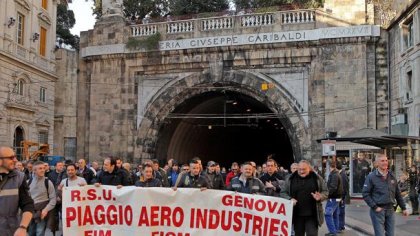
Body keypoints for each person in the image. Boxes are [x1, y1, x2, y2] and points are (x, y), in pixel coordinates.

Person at [362, 154, 408, 236]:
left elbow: (397, 193)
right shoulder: (371, 177)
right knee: (379, 234)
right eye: (382, 161)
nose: (385, 162)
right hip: (378, 211)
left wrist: (403, 208)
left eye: (386, 160)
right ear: (377, 163)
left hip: (390, 210)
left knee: (390, 234)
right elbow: (365, 194)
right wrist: (375, 207)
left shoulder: (392, 175)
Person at [280, 160, 328, 236]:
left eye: (304, 169)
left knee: (312, 234)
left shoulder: (317, 178)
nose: (301, 172)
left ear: (309, 168)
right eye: (299, 169)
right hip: (296, 215)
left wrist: (320, 196)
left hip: (312, 215)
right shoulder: (290, 179)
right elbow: (283, 192)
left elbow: (325, 191)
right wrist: (289, 199)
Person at [0, 147, 34, 236]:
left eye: (15, 156)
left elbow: (27, 204)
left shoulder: (20, 177)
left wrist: (23, 227)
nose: (15, 160)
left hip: (10, 231)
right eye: (11, 157)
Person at [27, 161, 56, 236]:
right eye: (40, 168)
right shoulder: (28, 182)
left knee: (40, 233)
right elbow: (25, 199)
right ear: (34, 170)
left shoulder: (48, 182)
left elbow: (53, 199)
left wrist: (46, 210)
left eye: (43, 168)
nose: (43, 170)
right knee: (31, 232)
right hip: (31, 211)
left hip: (42, 211)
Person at [324, 161, 343, 236]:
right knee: (335, 214)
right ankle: (336, 229)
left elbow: (333, 187)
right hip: (337, 197)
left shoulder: (334, 175)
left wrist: (326, 195)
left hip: (333, 197)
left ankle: (332, 232)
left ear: (329, 167)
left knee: (327, 214)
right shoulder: (336, 174)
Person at [337, 161, 349, 232]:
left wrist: (342, 197)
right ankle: (341, 226)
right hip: (341, 197)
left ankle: (340, 226)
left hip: (341, 197)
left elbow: (344, 187)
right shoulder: (341, 174)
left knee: (340, 212)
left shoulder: (342, 175)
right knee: (340, 211)